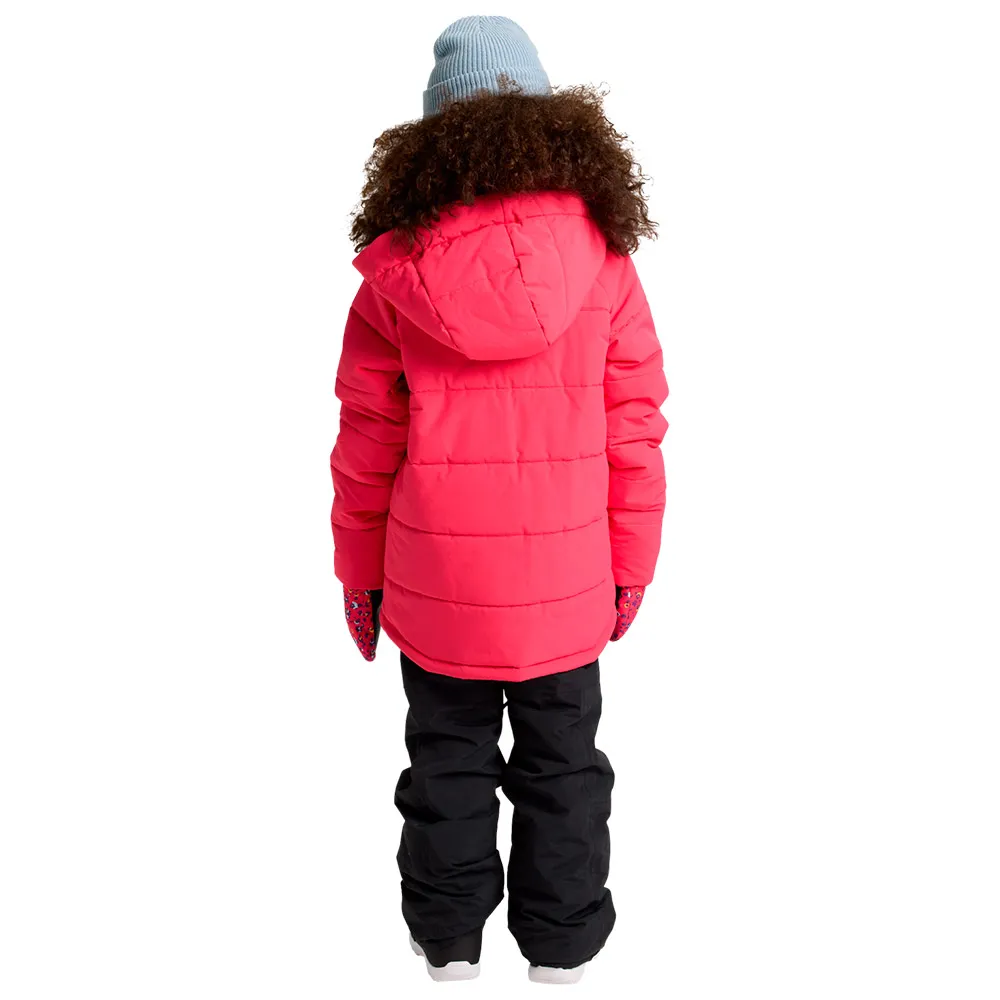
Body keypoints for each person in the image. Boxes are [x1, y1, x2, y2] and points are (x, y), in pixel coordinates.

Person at [331, 15, 668, 984]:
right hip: (569, 580)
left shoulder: (395, 276)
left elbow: (364, 449)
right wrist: (631, 569)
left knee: (446, 760)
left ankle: (447, 948)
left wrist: (361, 580)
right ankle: (561, 950)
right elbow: (635, 431)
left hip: (437, 579)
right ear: (554, 125)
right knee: (564, 764)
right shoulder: (605, 262)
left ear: (434, 137)